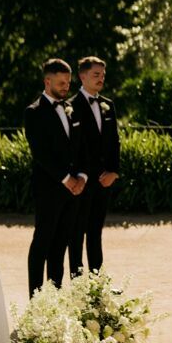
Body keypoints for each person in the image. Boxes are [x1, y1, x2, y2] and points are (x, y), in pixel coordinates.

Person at [24, 57, 87, 294]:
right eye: (61, 83)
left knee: (60, 245)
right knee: (42, 243)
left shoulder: (71, 109)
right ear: (47, 81)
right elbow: (40, 153)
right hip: (49, 188)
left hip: (74, 189)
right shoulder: (33, 112)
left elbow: (80, 147)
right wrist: (66, 178)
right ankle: (36, 300)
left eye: (68, 82)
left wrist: (81, 176)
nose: (65, 87)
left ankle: (55, 298)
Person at [68, 55, 121, 275]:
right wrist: (77, 176)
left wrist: (114, 172)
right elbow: (71, 146)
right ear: (82, 76)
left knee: (96, 231)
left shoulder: (108, 104)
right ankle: (78, 282)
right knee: (76, 232)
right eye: (95, 75)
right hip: (80, 181)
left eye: (103, 75)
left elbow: (115, 141)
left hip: (103, 180)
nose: (101, 79)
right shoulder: (70, 106)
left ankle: (97, 282)